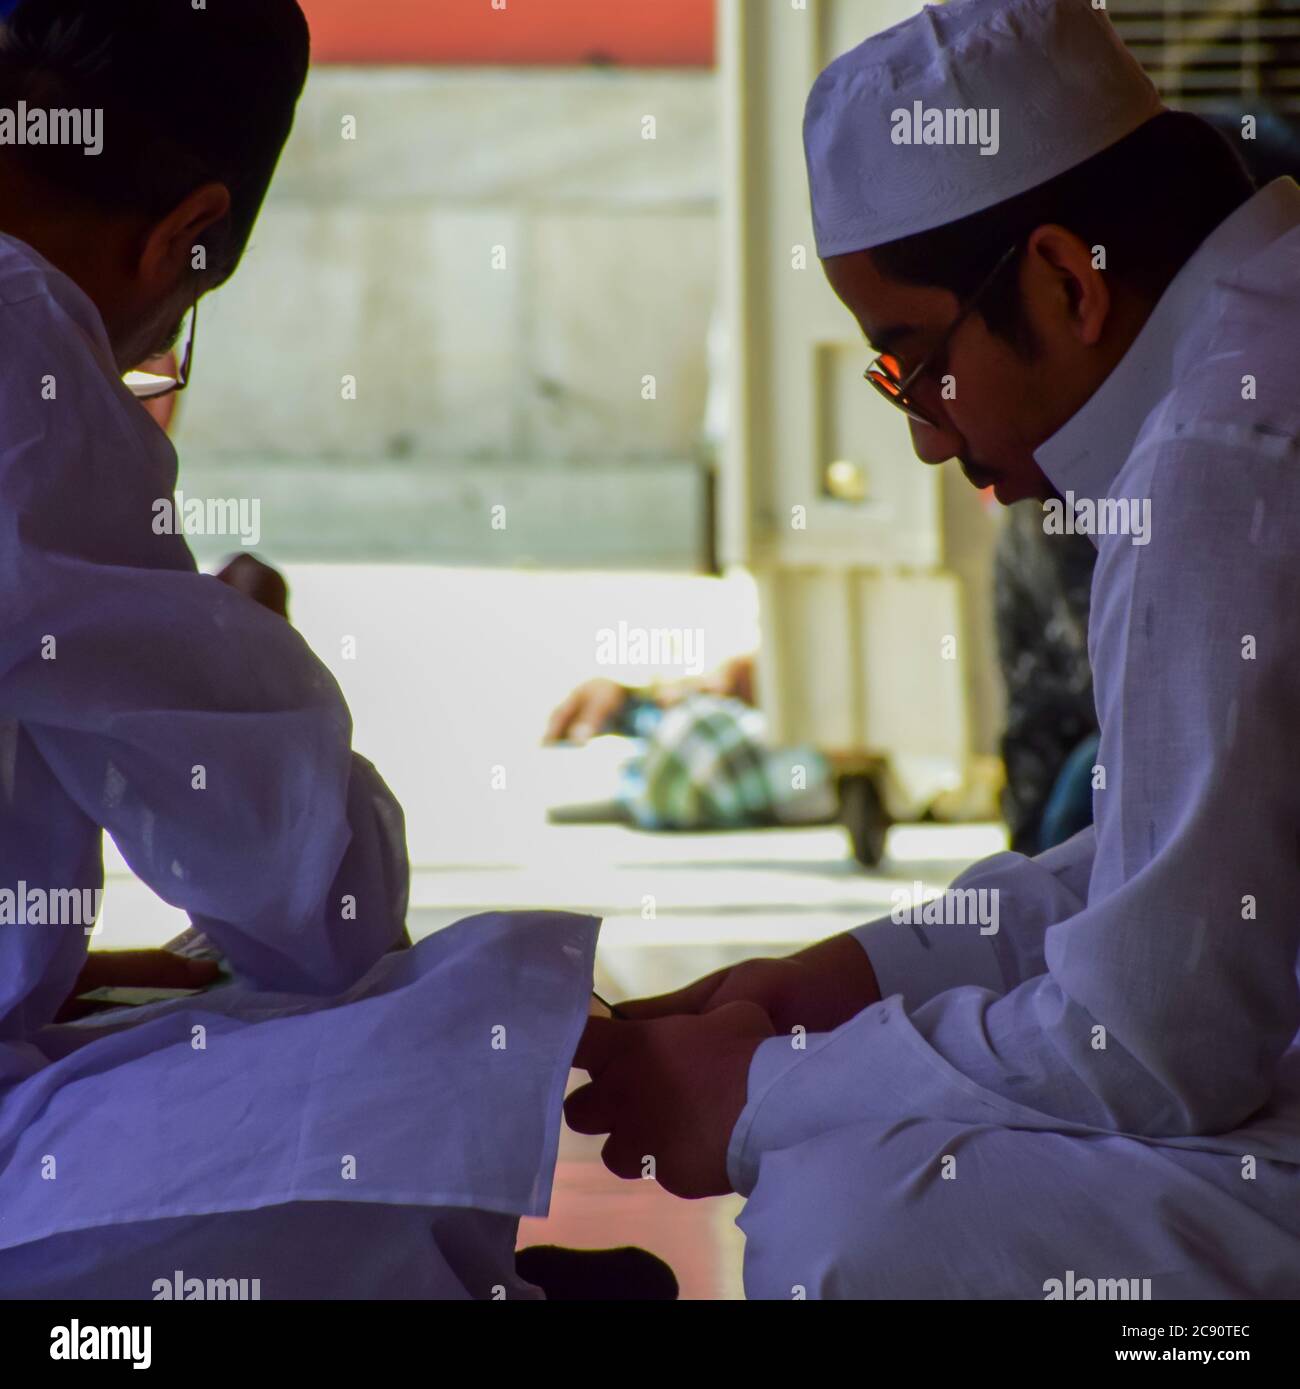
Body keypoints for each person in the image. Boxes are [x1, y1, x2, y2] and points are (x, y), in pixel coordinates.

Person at [566, 0, 1300, 1298]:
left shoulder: (1214, 464)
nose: (925, 437)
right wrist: (835, 984)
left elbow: (1154, 1043)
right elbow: (1202, 856)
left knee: (861, 1215)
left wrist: (765, 1087)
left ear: (1069, 280)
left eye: (914, 362)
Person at [0, 0, 608, 1300]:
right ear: (187, 234)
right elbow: (321, 909)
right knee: (427, 1037)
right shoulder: (24, 345)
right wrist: (252, 656)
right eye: (169, 330)